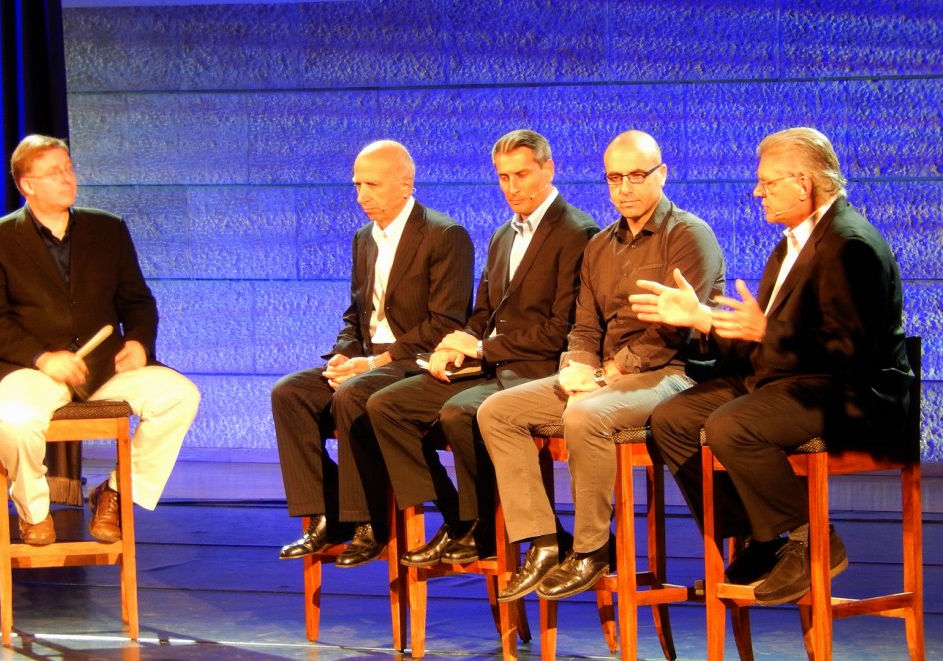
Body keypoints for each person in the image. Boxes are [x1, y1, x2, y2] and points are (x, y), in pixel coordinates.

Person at [630, 127, 912, 606]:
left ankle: (811, 538)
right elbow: (757, 336)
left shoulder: (850, 244)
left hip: (854, 393)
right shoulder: (790, 244)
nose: (757, 191)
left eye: (766, 182)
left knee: (733, 425)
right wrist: (702, 320)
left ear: (803, 184)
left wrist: (766, 333)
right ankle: (764, 543)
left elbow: (850, 350)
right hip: (788, 377)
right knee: (672, 420)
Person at [477, 130, 726, 602]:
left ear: (662, 175)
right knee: (497, 410)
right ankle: (546, 542)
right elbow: (585, 327)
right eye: (615, 178)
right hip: (605, 375)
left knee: (585, 414)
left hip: (673, 375)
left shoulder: (689, 235)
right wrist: (578, 369)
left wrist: (602, 377)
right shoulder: (599, 246)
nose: (625, 188)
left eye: (636, 176)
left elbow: (670, 334)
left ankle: (593, 550)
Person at [366, 129, 598, 568]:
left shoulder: (577, 232)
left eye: (523, 175)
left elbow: (562, 331)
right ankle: (457, 519)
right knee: (386, 406)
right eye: (503, 177)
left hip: (538, 369)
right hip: (493, 364)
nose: (513, 187)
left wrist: (484, 348)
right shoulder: (502, 236)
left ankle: (487, 527)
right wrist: (457, 342)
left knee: (459, 411)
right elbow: (484, 311)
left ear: (549, 170)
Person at [0, 134, 201, 546]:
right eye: (54, 173)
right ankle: (35, 511)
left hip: (101, 369)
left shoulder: (107, 229)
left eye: (68, 168)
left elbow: (137, 301)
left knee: (180, 395)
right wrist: (41, 357)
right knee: (15, 421)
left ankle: (114, 492)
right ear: (27, 184)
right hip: (29, 369)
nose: (67, 178)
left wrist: (140, 343)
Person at [273, 140, 475, 567]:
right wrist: (343, 356)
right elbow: (356, 315)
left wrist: (375, 363)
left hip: (415, 359)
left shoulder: (445, 235)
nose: (361, 196)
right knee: (290, 393)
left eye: (372, 185)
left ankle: (369, 522)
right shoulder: (364, 238)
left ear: (406, 183)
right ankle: (328, 515)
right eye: (357, 185)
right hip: (368, 359)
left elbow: (446, 323)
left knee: (353, 395)